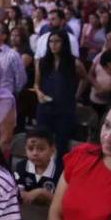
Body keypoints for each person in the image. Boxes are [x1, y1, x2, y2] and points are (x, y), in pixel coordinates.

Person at [34, 29, 87, 158]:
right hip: (45, 107)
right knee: (40, 142)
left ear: (64, 43)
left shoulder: (74, 63)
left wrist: (76, 96)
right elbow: (36, 84)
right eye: (51, 41)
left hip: (65, 109)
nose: (53, 44)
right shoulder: (43, 62)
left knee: (60, 145)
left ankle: (58, 174)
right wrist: (39, 93)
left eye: (57, 41)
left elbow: (85, 79)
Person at [14, 127, 61, 220]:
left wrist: (42, 193)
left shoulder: (61, 171)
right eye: (30, 148)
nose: (35, 153)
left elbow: (63, 204)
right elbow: (18, 195)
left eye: (41, 149)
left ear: (52, 149)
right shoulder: (21, 167)